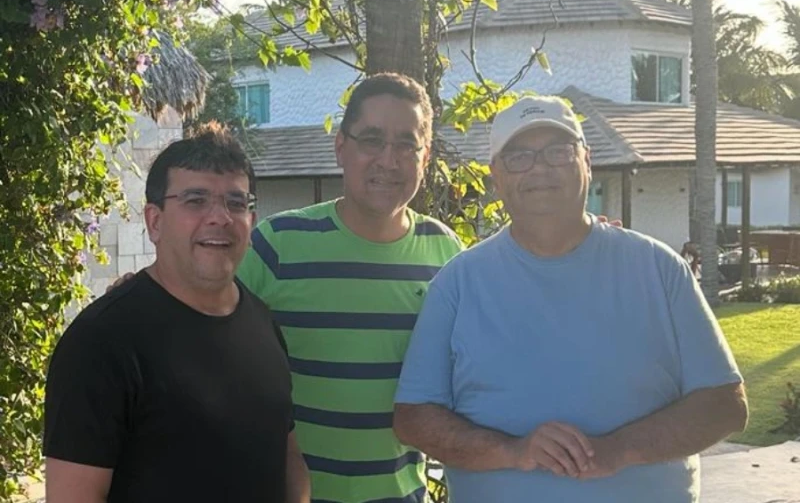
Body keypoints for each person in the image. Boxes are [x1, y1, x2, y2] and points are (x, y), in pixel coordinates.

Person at [393, 96, 748, 503]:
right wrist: (514, 452)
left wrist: (619, 450)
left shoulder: (659, 269)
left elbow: (725, 405)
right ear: (497, 177)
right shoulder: (457, 284)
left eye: (558, 151)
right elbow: (414, 418)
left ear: (587, 161)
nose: (540, 168)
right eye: (519, 157)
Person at [44, 123, 309, 503]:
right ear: (155, 221)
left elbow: (288, 456)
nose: (220, 217)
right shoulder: (100, 342)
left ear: (251, 221)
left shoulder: (263, 323)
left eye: (236, 203)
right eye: (195, 200)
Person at [236, 73, 463, 502]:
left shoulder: (447, 255)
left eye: (407, 144)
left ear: (426, 157)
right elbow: (199, 329)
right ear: (341, 146)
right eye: (372, 140)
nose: (388, 161)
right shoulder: (277, 245)